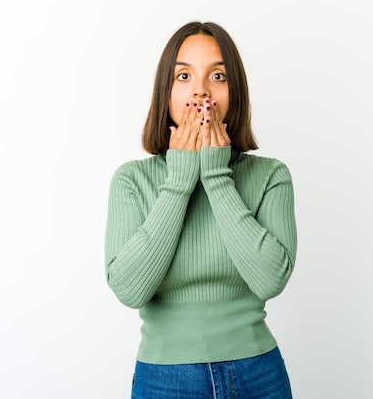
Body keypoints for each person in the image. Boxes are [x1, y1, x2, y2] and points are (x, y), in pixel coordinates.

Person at [105, 21, 297, 398]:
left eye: (218, 75)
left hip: (258, 373)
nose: (201, 92)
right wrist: (179, 180)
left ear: (234, 91)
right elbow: (128, 289)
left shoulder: (271, 176)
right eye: (184, 75)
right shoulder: (131, 181)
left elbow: (271, 279)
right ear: (166, 91)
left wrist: (216, 175)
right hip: (164, 380)